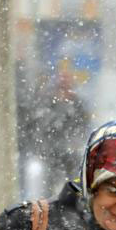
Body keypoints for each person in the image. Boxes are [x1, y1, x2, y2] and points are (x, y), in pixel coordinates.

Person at [28, 67, 90, 195]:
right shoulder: (48, 103)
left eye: (66, 85)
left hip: (69, 153)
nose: (64, 89)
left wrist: (75, 141)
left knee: (73, 185)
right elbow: (41, 126)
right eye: (61, 85)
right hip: (51, 152)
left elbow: (83, 127)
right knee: (49, 187)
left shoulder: (77, 104)